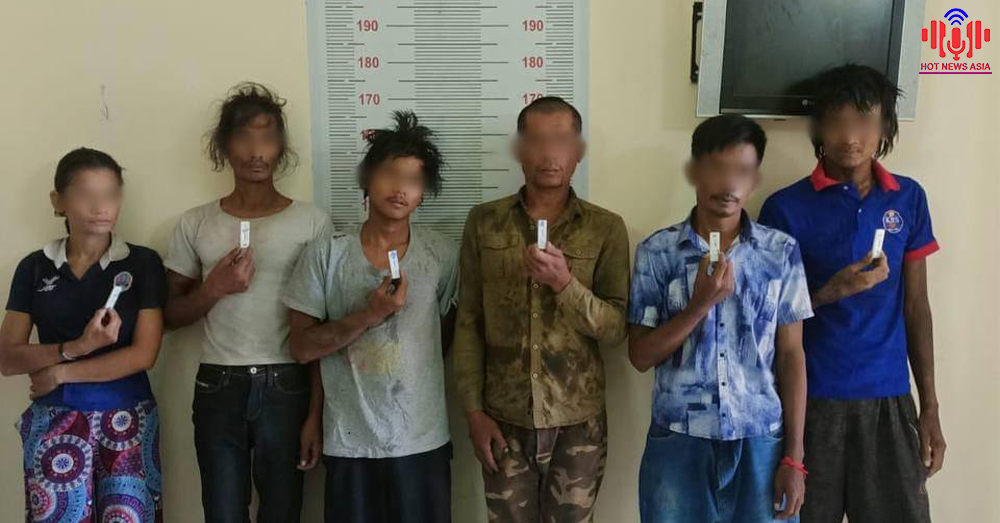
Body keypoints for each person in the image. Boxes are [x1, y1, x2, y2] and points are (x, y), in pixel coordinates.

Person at [759, 64, 944, 523]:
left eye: (864, 120)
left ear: (885, 127)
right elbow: (765, 316)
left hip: (889, 400)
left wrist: (930, 407)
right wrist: (827, 292)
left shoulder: (908, 199)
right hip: (810, 404)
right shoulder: (784, 208)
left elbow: (917, 307)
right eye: (837, 120)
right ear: (819, 127)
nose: (850, 136)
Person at [453, 96, 630, 522]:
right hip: (504, 419)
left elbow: (616, 328)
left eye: (561, 141)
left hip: (578, 423)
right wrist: (474, 413)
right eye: (536, 141)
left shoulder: (605, 228)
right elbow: (468, 324)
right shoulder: (484, 222)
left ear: (578, 152)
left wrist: (565, 284)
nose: (549, 153)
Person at [629, 115, 812, 522]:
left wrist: (794, 457)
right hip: (679, 438)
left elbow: (791, 355)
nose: (729, 184)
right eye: (717, 169)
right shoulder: (657, 252)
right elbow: (640, 356)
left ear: (755, 179)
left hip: (760, 437)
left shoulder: (780, 252)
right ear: (695, 171)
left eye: (742, 171)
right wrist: (698, 306)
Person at [163, 82, 331, 523]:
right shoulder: (196, 222)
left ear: (282, 147)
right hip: (218, 383)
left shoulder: (311, 222)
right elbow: (167, 316)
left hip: (287, 382)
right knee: (222, 511)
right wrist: (214, 288)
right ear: (223, 146)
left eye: (268, 137)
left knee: (282, 511)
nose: (257, 151)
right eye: (243, 137)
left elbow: (319, 328)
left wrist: (315, 414)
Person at [284, 110, 457, 523]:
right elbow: (303, 348)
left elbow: (443, 338)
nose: (400, 188)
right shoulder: (326, 254)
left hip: (422, 439)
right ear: (367, 179)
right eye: (390, 174)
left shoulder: (442, 255)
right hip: (349, 441)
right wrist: (370, 314)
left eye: (414, 179)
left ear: (424, 193)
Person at [1, 148, 167, 522]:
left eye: (110, 194)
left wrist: (61, 372)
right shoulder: (34, 267)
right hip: (55, 419)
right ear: (57, 201)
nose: (100, 206)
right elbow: (8, 357)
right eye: (85, 194)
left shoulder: (142, 263)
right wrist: (76, 347)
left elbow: (144, 354)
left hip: (128, 419)